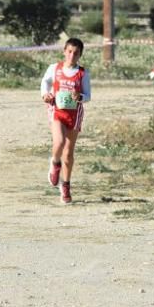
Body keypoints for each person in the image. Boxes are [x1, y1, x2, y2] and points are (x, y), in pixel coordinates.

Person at [41, 37, 90, 204]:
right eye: (69, 51)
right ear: (64, 51)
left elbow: (88, 95)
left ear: (80, 55)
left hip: (74, 114)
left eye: (76, 53)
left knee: (68, 153)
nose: (72, 55)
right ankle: (55, 164)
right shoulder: (54, 68)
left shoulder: (82, 73)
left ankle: (66, 184)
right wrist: (45, 94)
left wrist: (80, 96)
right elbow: (45, 83)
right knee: (59, 142)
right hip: (57, 111)